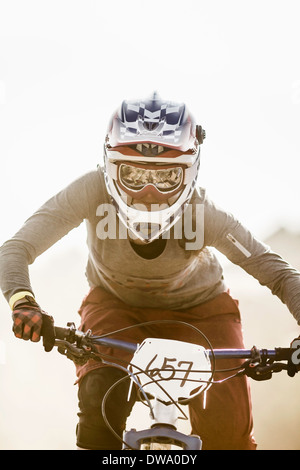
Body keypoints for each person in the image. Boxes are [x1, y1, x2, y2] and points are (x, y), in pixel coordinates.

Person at [0, 93, 300, 451]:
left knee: (229, 436)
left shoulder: (204, 213)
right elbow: (16, 249)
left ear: (190, 173)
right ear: (110, 168)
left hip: (203, 311)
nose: (149, 192)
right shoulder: (89, 190)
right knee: (99, 414)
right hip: (115, 306)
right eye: (134, 174)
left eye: (167, 177)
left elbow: (277, 273)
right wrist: (23, 301)